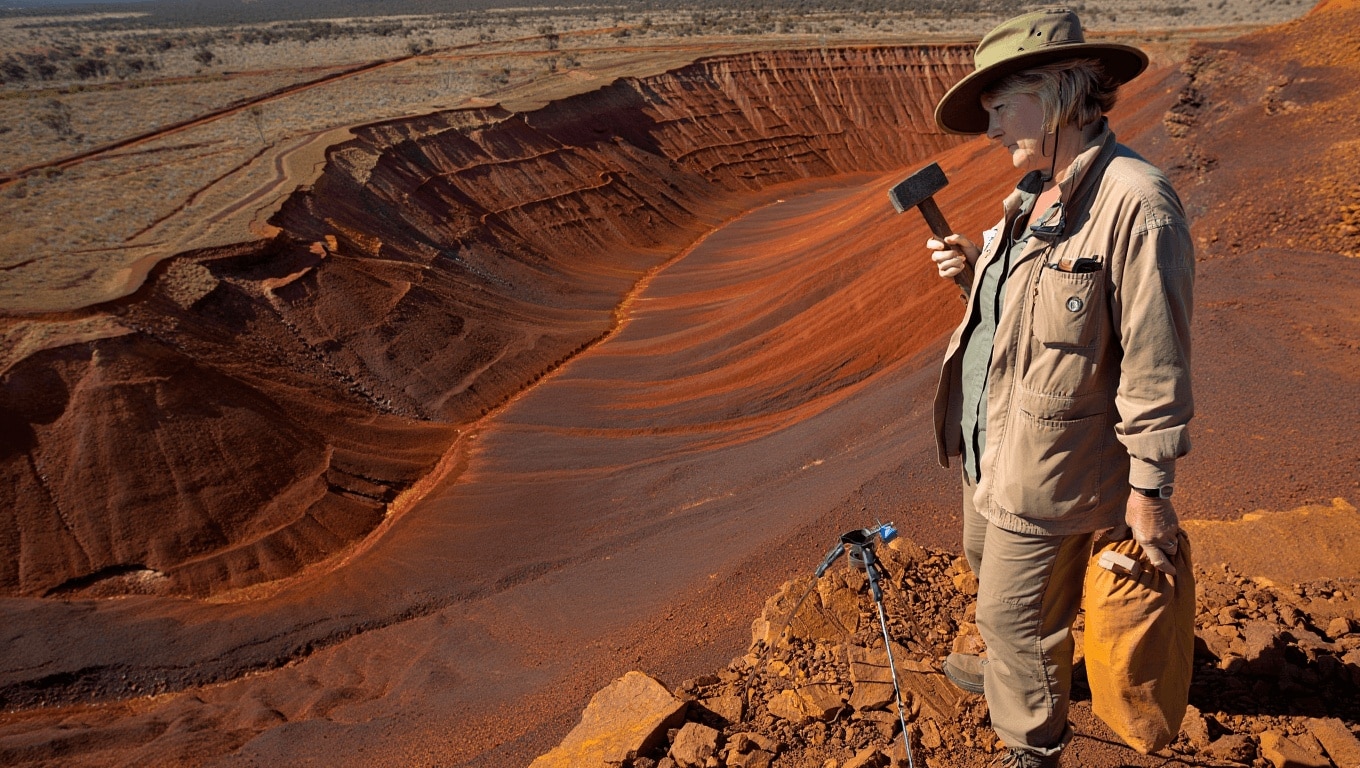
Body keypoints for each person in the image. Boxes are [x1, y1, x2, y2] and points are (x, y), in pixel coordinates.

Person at [924, 8, 1194, 767]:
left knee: (1012, 615)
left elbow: (1155, 357)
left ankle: (1031, 742)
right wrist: (973, 276)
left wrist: (1151, 488)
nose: (989, 131)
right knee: (992, 577)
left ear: (1054, 95)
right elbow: (1033, 322)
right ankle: (1020, 667)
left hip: (1055, 465)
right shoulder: (1033, 199)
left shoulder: (1135, 203)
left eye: (998, 107)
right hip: (994, 443)